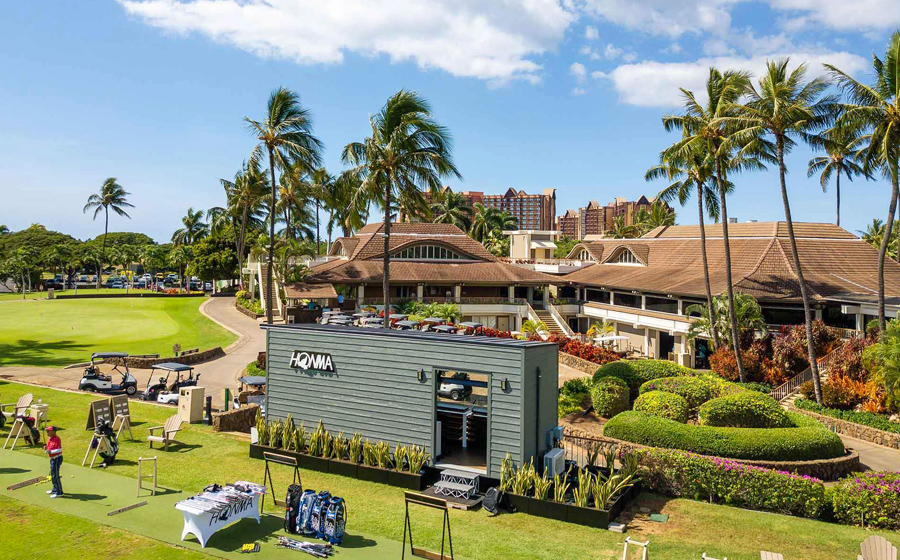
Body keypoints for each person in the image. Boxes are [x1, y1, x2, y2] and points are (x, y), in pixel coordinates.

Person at [43, 426, 64, 498]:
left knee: (56, 475)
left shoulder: (56, 439)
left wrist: (50, 451)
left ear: (53, 432)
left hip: (57, 459)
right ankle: (55, 489)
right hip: (52, 458)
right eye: (47, 431)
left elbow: (59, 450)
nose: (47, 432)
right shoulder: (50, 439)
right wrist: (46, 450)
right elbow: (49, 449)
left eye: (49, 431)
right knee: (53, 475)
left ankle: (59, 492)